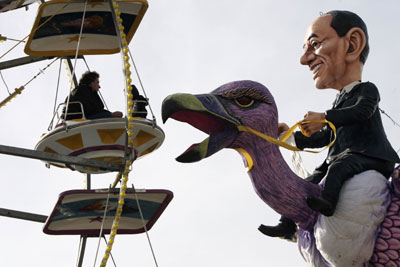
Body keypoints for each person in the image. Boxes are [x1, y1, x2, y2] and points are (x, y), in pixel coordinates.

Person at [259, 10, 400, 240]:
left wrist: (325, 116)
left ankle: (328, 203)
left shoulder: (367, 91)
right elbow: (324, 138)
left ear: (352, 45)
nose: (304, 59)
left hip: (369, 156)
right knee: (309, 181)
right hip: (343, 157)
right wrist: (289, 136)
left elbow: (361, 112)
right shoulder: (339, 101)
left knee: (337, 168)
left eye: (314, 44)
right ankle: (287, 224)